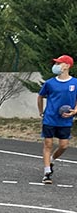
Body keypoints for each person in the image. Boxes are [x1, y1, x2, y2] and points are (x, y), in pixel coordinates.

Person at [37, 54, 77, 184]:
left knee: (64, 145)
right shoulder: (50, 83)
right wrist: (41, 112)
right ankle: (47, 172)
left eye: (59, 63)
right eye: (56, 63)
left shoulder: (75, 83)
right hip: (50, 118)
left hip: (65, 120)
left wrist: (75, 111)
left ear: (67, 66)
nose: (56, 66)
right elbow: (40, 96)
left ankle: (52, 159)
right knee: (48, 144)